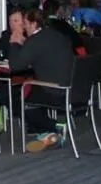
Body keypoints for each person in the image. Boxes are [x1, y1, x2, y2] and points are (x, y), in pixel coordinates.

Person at [6, 8, 77, 151]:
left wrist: (14, 43)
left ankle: (55, 128)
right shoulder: (57, 35)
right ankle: (49, 134)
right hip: (74, 88)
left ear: (33, 24)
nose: (24, 27)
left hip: (55, 90)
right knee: (32, 92)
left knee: (19, 102)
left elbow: (15, 66)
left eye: (25, 23)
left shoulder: (35, 40)